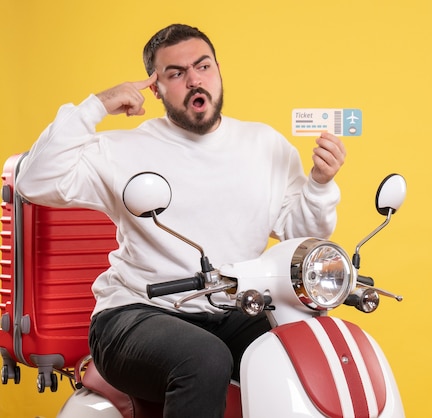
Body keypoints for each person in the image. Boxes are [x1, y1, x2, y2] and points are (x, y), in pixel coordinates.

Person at [16, 23, 346, 417]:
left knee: (309, 345)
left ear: (218, 71)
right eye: (176, 73)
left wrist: (321, 184)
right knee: (204, 358)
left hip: (232, 311)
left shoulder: (265, 145)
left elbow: (300, 235)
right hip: (134, 315)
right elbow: (33, 181)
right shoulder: (124, 149)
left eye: (203, 66)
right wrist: (97, 105)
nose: (194, 80)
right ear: (155, 89)